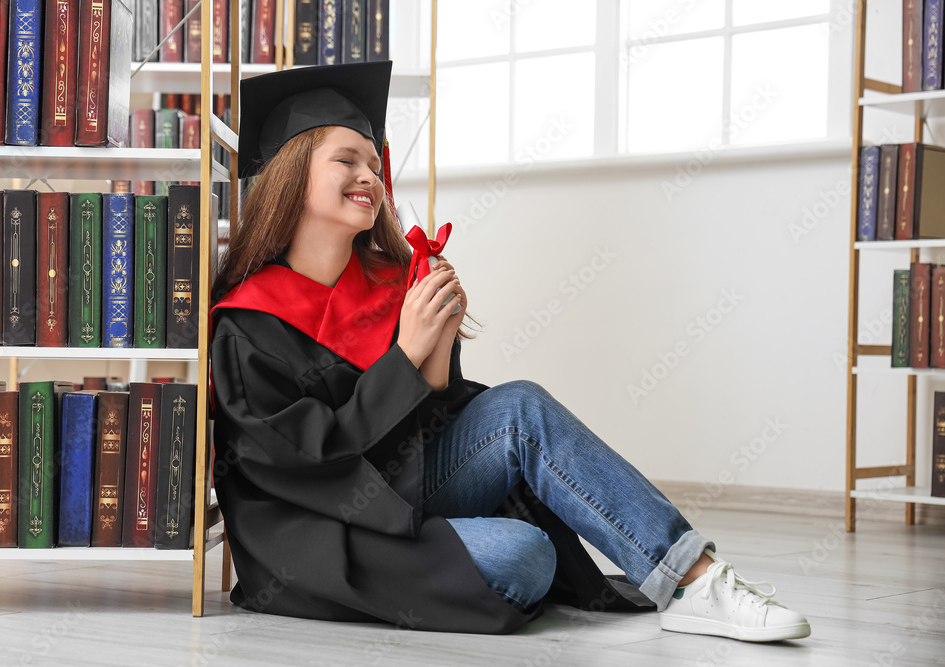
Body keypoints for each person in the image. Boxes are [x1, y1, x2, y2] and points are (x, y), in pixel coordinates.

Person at [208, 61, 810, 642]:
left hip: (405, 493)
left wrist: (435, 353)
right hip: (326, 533)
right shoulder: (247, 322)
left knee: (520, 406)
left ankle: (692, 581)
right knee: (525, 555)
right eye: (347, 160)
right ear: (290, 175)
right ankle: (662, 578)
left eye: (374, 160)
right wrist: (404, 356)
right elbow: (306, 462)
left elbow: (427, 427)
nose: (369, 175)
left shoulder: (390, 285)